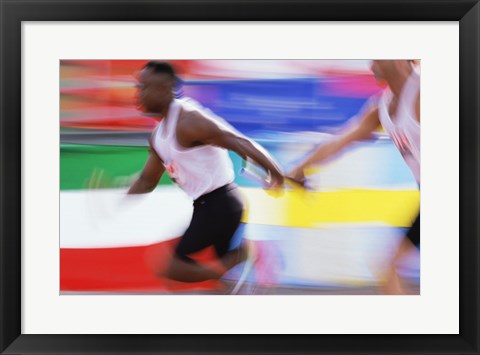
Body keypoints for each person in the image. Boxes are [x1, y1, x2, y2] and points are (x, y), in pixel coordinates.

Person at [128, 61, 285, 284]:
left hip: (221, 203)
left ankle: (247, 253)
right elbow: (147, 180)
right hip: (205, 206)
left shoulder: (189, 120)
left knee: (172, 267)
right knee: (222, 282)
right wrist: (119, 198)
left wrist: (275, 171)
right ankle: (242, 257)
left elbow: (238, 141)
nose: (137, 93)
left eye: (143, 87)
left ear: (164, 89)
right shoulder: (158, 135)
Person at [288, 60, 420, 294]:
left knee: (389, 268)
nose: (371, 63)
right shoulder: (381, 107)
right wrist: (300, 169)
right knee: (387, 269)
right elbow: (340, 140)